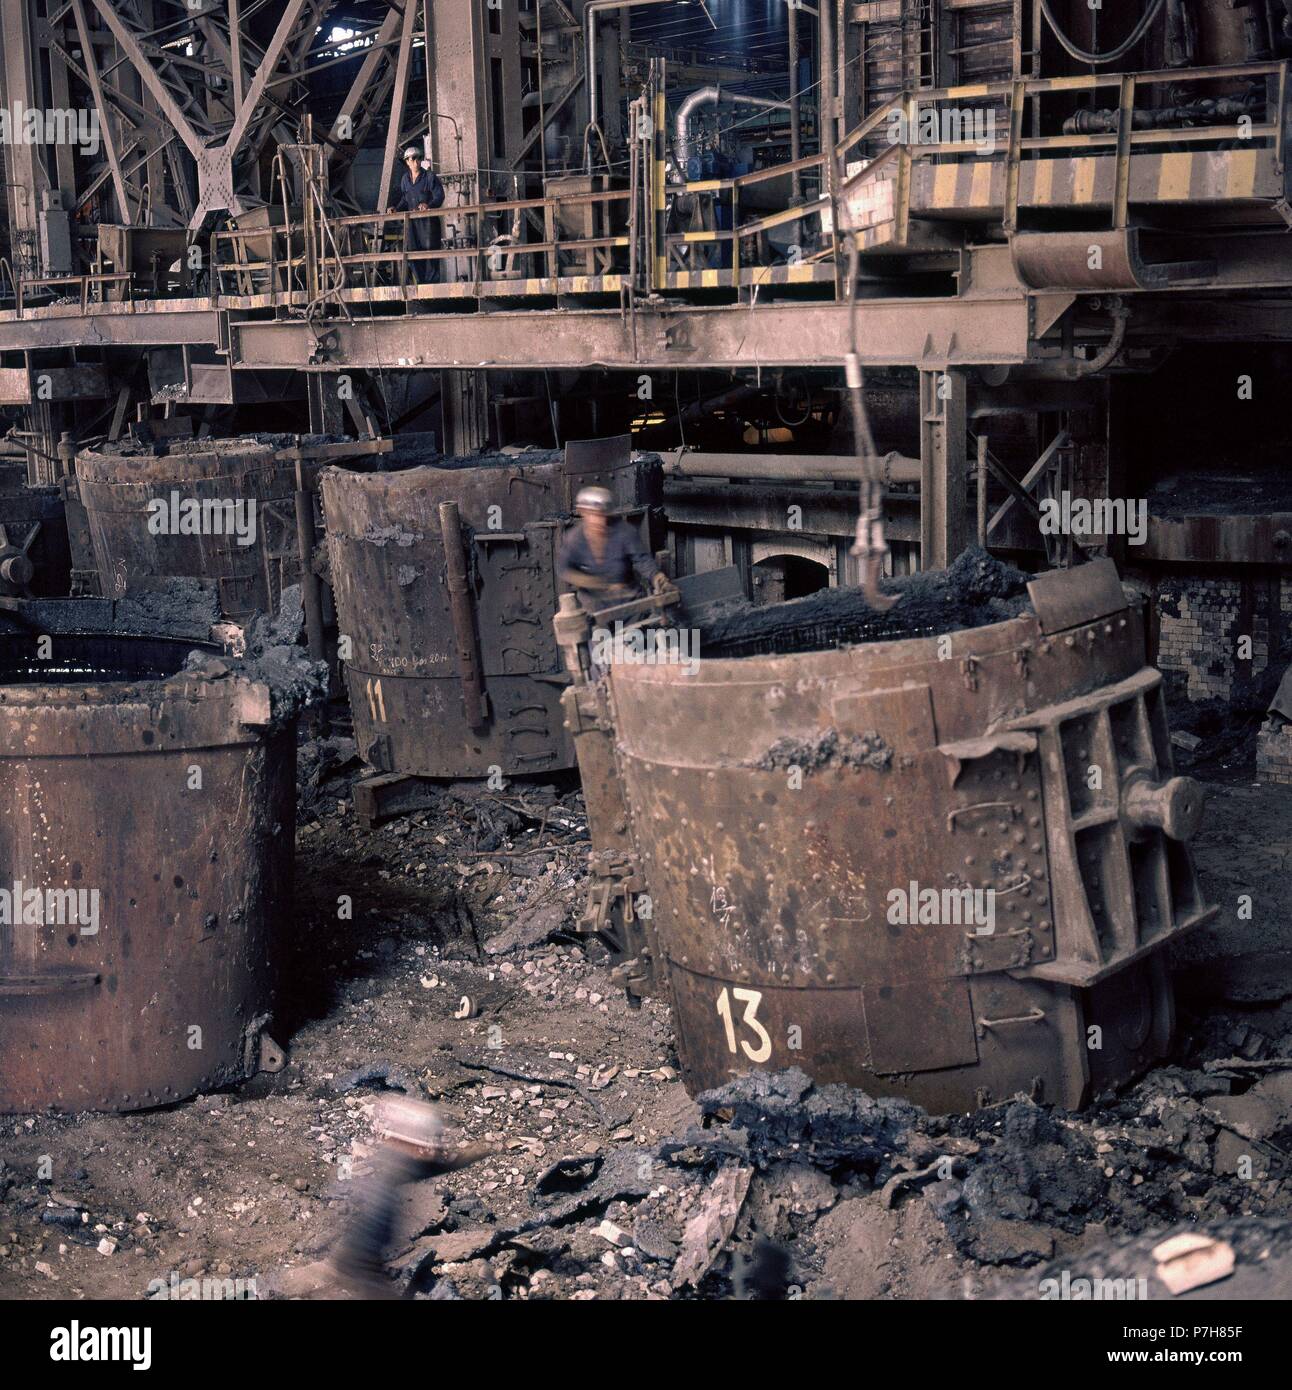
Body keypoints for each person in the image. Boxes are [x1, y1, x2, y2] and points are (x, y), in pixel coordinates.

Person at [558, 485, 670, 613]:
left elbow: (642, 560)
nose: (598, 521)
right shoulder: (574, 538)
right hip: (593, 605)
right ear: (582, 512)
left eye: (602, 515)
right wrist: (595, 583)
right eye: (592, 515)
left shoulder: (625, 532)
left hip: (628, 599)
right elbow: (564, 569)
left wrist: (657, 576)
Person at [388, 144, 444, 287]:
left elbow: (439, 196)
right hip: (412, 224)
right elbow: (405, 199)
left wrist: (428, 205)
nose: (416, 161)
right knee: (413, 253)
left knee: (429, 252)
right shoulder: (405, 180)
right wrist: (396, 209)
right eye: (413, 159)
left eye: (419, 158)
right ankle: (420, 285)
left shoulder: (430, 177)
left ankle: (432, 288)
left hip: (428, 223)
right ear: (407, 161)